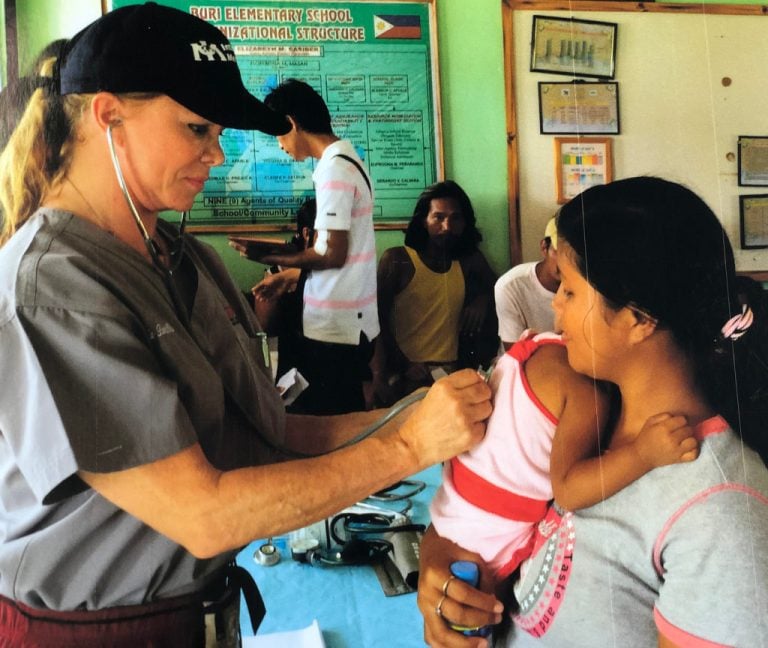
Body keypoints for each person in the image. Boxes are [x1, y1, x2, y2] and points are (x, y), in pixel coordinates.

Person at [0, 5, 492, 646]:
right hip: (97, 630)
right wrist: (408, 447)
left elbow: (268, 435)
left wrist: (415, 412)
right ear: (108, 114)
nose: (218, 150)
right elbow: (202, 514)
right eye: (198, 127)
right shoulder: (53, 287)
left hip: (203, 611)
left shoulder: (183, 259)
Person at [417, 176, 768, 648]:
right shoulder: (586, 412)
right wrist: (438, 575)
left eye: (569, 291)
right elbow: (476, 507)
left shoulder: (721, 511)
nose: (555, 312)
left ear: (637, 319)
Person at [428, 328, 698, 582]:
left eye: (570, 293)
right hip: (487, 539)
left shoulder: (538, 346)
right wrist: (642, 454)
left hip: (450, 509)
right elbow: (568, 490)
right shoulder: (581, 388)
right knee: (479, 612)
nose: (557, 307)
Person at [230, 78, 378, 415]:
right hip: (346, 321)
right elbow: (339, 249)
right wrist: (286, 268)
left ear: (293, 123)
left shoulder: (334, 168)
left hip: (334, 327)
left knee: (319, 421)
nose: (280, 145)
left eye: (279, 135)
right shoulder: (349, 159)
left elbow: (331, 254)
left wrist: (267, 255)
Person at [373, 180, 498, 406]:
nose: (447, 226)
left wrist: (482, 299)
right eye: (438, 217)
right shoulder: (398, 259)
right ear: (424, 220)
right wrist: (399, 366)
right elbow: (376, 319)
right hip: (405, 375)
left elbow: (501, 290)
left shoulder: (468, 260)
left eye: (455, 218)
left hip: (450, 375)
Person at [249, 197, 316, 388]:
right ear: (307, 233)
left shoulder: (344, 271)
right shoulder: (279, 271)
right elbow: (264, 327)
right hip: (296, 376)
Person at [494, 216, 559, 351]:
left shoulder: (590, 284)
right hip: (523, 366)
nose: (566, 261)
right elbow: (515, 355)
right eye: (559, 252)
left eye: (575, 254)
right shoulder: (511, 285)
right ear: (544, 247)